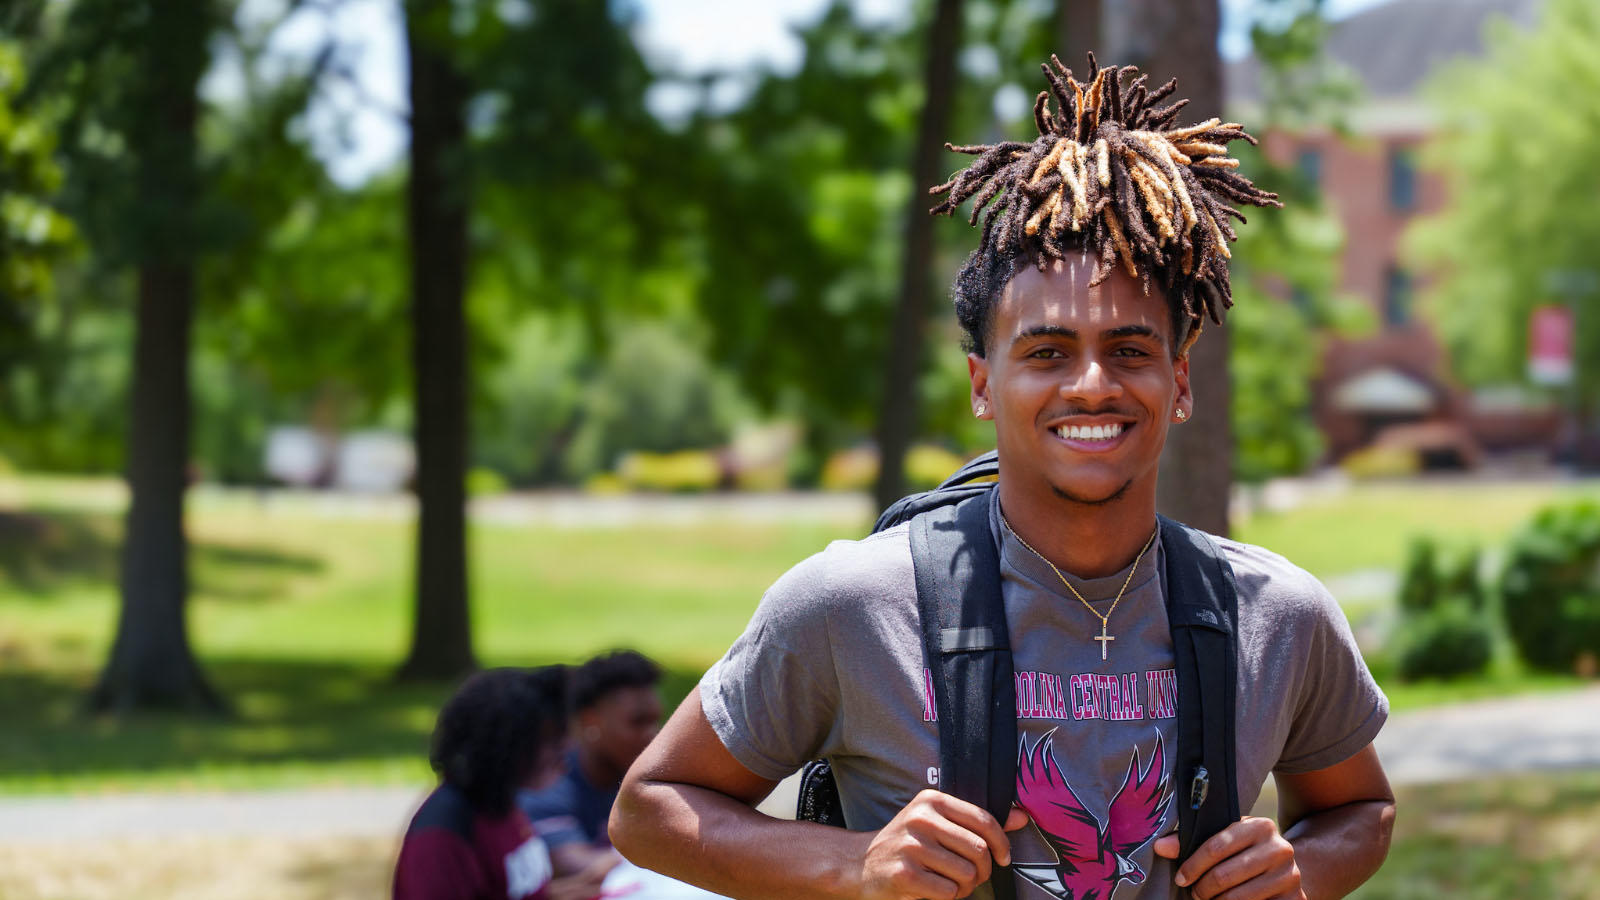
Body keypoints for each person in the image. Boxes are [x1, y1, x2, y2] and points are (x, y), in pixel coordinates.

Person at [610, 54, 1395, 900]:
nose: (1092, 384)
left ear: (1180, 381)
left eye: (1130, 350)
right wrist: (852, 864)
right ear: (984, 384)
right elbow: (649, 808)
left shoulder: (1277, 615)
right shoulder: (851, 603)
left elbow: (1361, 810)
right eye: (1047, 353)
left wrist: (1299, 874)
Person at [393, 666, 612, 900]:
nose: (565, 750)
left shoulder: (502, 805)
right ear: (504, 745)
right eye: (550, 740)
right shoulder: (443, 835)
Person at [520, 650, 663, 876]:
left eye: (656, 721)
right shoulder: (548, 784)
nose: (653, 735)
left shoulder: (645, 777)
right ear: (590, 721)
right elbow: (575, 867)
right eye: (638, 722)